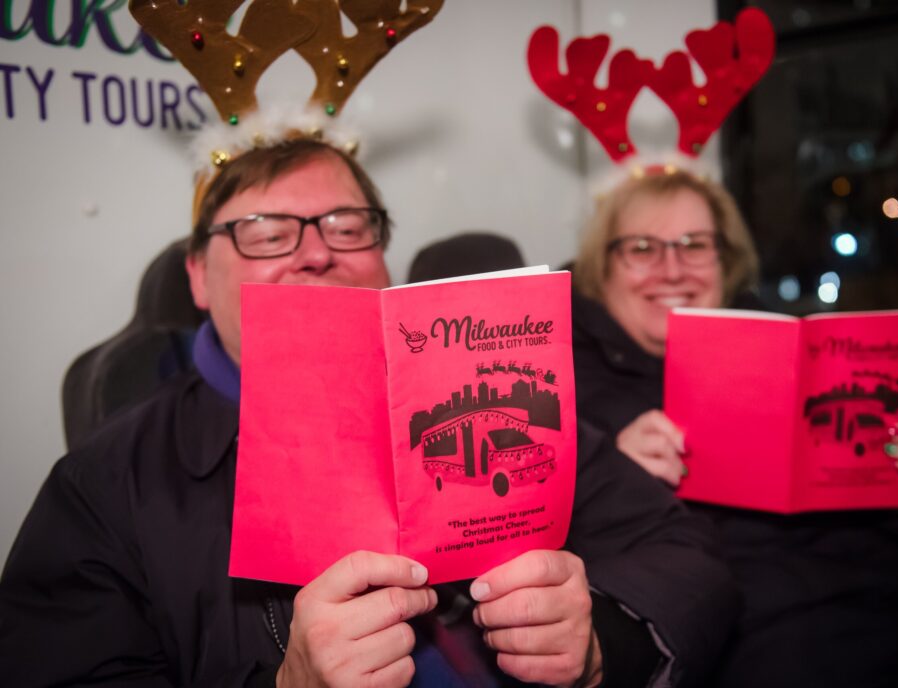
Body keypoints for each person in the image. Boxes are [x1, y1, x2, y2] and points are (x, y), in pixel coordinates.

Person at [0, 139, 738, 688]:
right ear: (197, 275)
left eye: (348, 226)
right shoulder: (106, 484)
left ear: (384, 255)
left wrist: (602, 637)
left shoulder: (481, 391)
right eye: (264, 232)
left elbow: (688, 559)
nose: (316, 254)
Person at [571, 166, 898, 687]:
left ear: (724, 261)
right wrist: (616, 478)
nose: (672, 269)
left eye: (695, 245)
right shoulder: (566, 379)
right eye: (642, 248)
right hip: (744, 636)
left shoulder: (780, 344)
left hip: (891, 610)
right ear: (605, 266)